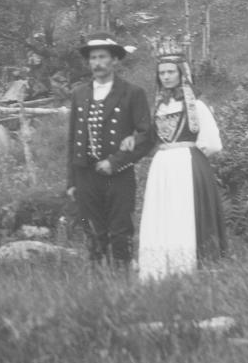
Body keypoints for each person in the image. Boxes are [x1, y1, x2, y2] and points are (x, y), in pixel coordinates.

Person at [65, 32, 154, 269]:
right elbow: (73, 139)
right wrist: (71, 181)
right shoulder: (79, 94)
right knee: (90, 228)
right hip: (85, 174)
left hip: (118, 174)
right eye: (93, 58)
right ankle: (97, 279)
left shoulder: (132, 93)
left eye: (102, 57)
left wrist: (115, 162)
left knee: (120, 228)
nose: (97, 63)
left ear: (114, 60)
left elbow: (147, 135)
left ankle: (122, 276)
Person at [137, 53, 228, 280]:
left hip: (188, 166)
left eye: (170, 72)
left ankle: (191, 268)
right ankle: (161, 270)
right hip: (162, 169)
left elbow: (214, 144)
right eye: (162, 73)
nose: (166, 77)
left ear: (181, 73)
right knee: (165, 214)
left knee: (186, 212)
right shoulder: (157, 108)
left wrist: (191, 156)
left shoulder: (196, 106)